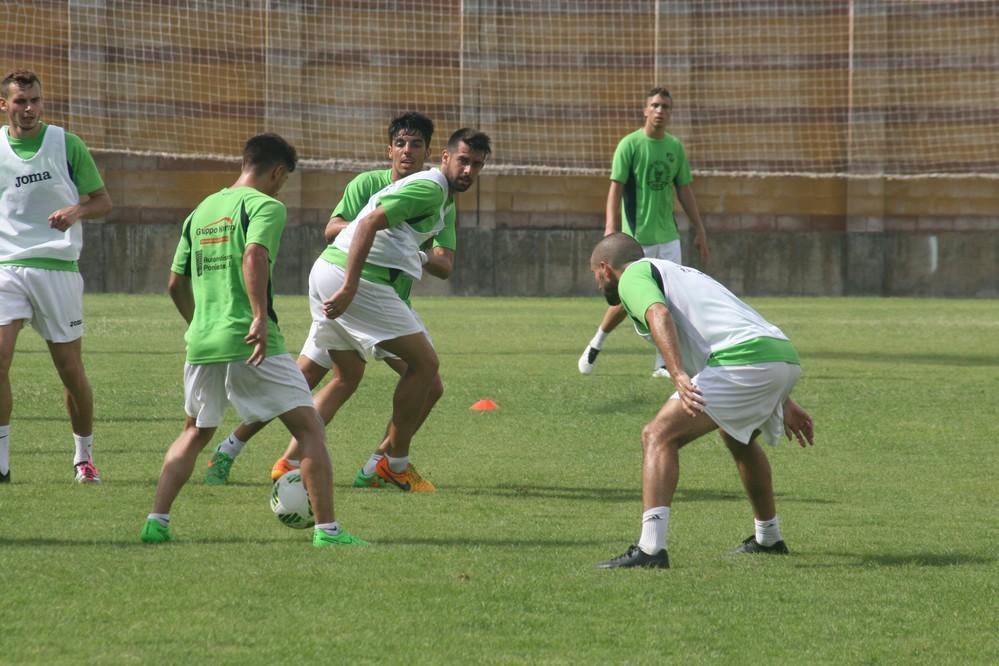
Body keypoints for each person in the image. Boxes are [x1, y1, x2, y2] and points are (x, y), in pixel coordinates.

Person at [203, 112, 451, 492]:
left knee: (370, 378)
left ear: (428, 151)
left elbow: (444, 262)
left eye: (416, 144)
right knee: (317, 377)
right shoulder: (368, 184)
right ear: (389, 149)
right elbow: (333, 229)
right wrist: (377, 226)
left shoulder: (436, 194)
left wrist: (413, 252)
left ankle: (358, 461)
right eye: (400, 143)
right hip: (351, 290)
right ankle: (236, 450)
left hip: (387, 298)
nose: (408, 151)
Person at [140, 133, 365, 547]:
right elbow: (254, 255)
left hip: (203, 342)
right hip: (252, 339)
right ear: (277, 172)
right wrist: (259, 317)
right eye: (283, 180)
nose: (282, 188)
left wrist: (198, 324)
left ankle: (157, 521)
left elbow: (175, 282)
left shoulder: (202, 210)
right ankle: (327, 532)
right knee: (310, 427)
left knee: (194, 431)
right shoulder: (266, 206)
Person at [590, 233, 814, 569]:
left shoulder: (633, 276)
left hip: (746, 359)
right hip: (778, 353)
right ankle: (768, 537)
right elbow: (726, 326)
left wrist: (677, 373)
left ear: (605, 269)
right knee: (738, 438)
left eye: (595, 275)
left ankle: (651, 550)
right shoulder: (678, 272)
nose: (597, 283)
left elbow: (658, 313)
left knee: (658, 435)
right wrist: (782, 397)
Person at [311, 128, 490, 492]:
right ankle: (393, 465)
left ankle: (293, 461)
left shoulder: (441, 196)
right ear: (445, 157)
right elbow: (370, 222)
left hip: (329, 271)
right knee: (424, 366)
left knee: (346, 374)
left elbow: (440, 262)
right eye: (464, 161)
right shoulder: (430, 187)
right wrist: (350, 285)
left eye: (477, 165)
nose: (469, 170)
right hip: (355, 279)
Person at [0, 70, 113, 484]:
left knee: (69, 368)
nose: (28, 109)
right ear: (4, 105)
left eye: (34, 101)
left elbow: (103, 201)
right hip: (6, 267)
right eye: (20, 102)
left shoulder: (66, 144)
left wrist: (75, 211)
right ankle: (1, 461)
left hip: (57, 268)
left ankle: (84, 457)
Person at [578, 87, 710, 378]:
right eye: (655, 105)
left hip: (669, 238)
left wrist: (699, 228)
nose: (660, 110)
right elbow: (616, 187)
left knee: (670, 300)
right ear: (645, 110)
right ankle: (596, 342)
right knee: (629, 299)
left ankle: (662, 364)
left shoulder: (674, 147)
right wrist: (611, 229)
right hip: (635, 240)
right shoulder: (630, 145)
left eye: (665, 106)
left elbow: (685, 190)